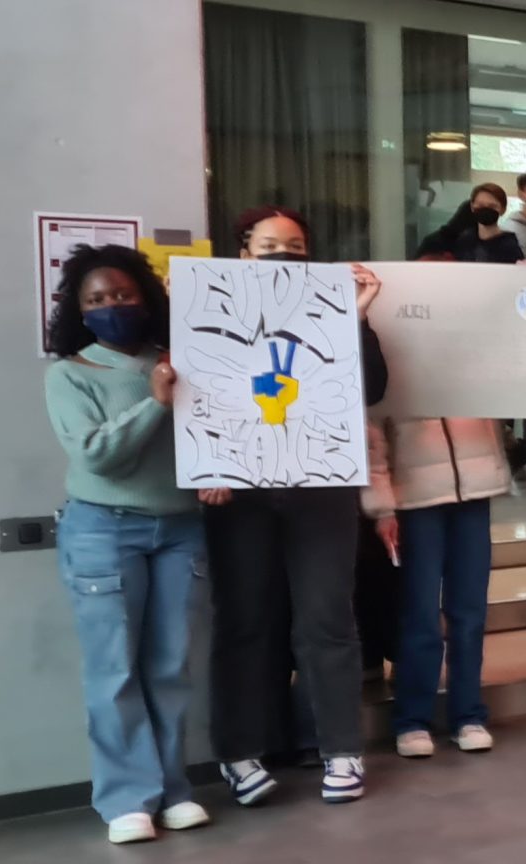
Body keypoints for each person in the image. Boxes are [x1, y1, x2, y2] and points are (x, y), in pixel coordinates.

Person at [204, 207, 387, 807]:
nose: (284, 255)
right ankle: (239, 749)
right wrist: (208, 465)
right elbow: (198, 391)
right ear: (244, 254)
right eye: (269, 245)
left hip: (321, 486)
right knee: (246, 620)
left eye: (297, 246)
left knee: (327, 618)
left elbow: (371, 388)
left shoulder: (335, 313)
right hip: (240, 492)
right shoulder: (209, 310)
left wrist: (356, 317)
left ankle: (341, 747)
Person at [43, 245, 207, 843]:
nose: (112, 305)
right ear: (80, 311)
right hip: (103, 529)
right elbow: (96, 455)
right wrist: (155, 403)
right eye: (97, 299)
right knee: (114, 668)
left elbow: (211, 434)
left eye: (123, 294)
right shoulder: (69, 374)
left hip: (181, 529)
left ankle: (173, 790)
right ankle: (126, 799)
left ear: (146, 297)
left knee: (169, 666)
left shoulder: (177, 361)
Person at [365, 365, 511, 760]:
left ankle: (469, 714)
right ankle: (412, 719)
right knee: (421, 614)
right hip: (415, 500)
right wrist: (382, 508)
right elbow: (373, 437)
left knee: (470, 612)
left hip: (474, 491)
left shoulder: (469, 356)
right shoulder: (395, 357)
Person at [417, 182, 524, 264]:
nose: (485, 209)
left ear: (503, 209)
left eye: (492, 206)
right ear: (472, 207)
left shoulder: (509, 246)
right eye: (480, 205)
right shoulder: (465, 240)